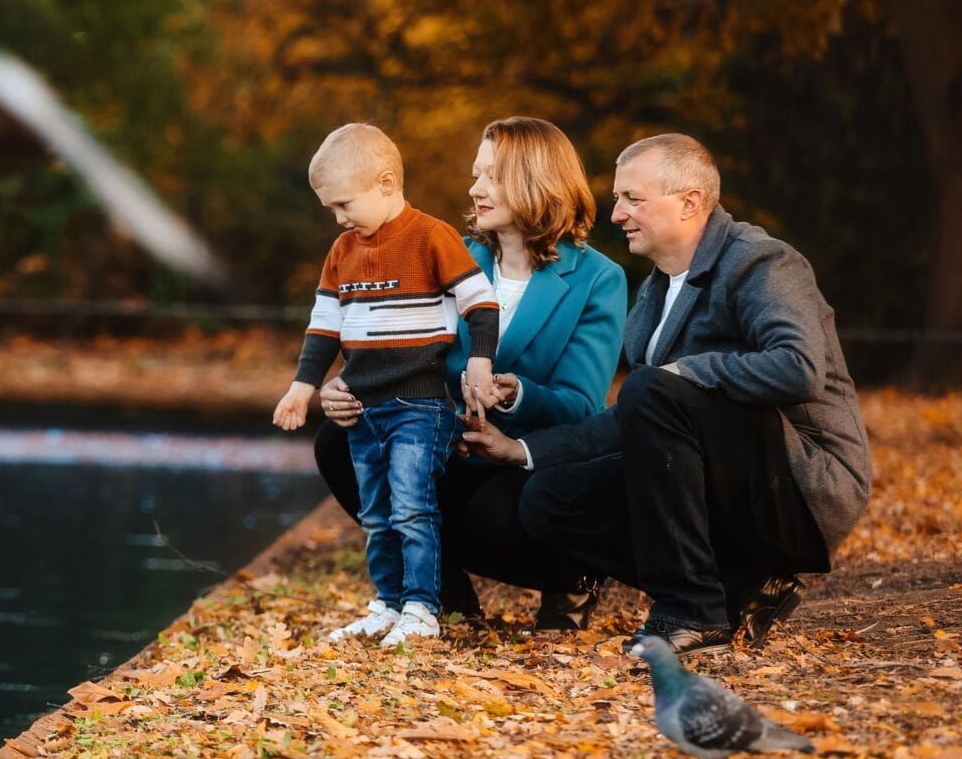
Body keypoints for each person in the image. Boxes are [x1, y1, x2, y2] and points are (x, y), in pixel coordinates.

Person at [462, 133, 872, 653]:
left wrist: (686, 373)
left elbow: (800, 367)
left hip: (801, 488)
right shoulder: (654, 296)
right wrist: (521, 451)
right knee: (547, 499)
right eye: (617, 198)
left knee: (655, 386)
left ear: (689, 202)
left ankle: (690, 610)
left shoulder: (761, 262)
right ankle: (734, 585)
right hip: (725, 489)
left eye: (634, 199)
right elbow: (642, 414)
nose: (617, 214)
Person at [311, 117, 627, 628]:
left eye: (492, 177)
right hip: (439, 439)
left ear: (536, 181)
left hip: (524, 461)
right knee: (336, 441)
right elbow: (389, 344)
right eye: (476, 174)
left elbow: (583, 407)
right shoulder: (445, 250)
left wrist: (516, 394)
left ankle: (572, 579)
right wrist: (345, 388)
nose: (474, 188)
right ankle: (440, 595)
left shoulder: (598, 279)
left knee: (493, 514)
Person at [272, 123, 499, 646]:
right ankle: (388, 603)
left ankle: (423, 609)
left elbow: (481, 305)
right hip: (363, 407)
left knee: (412, 506)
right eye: (331, 209)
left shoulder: (432, 237)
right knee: (375, 513)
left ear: (386, 182)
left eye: (345, 204)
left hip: (419, 405)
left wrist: (481, 364)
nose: (339, 217)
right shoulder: (342, 251)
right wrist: (301, 389)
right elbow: (324, 327)